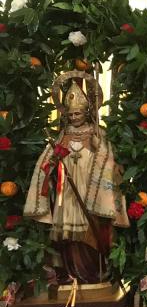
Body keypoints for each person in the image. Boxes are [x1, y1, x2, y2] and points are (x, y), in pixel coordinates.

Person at [24, 72, 129, 284]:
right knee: (69, 236)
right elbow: (48, 161)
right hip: (68, 194)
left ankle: (94, 272)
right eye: (70, 115)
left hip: (92, 193)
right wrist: (53, 162)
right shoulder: (62, 135)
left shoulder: (97, 133)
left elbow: (109, 160)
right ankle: (71, 272)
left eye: (78, 114)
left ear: (87, 112)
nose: (74, 118)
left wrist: (100, 154)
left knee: (92, 231)